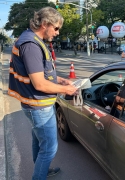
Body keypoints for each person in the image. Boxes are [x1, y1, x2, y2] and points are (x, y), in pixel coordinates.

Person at [8, 7, 78, 180]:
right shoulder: (31, 45)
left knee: (38, 141)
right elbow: (39, 84)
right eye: (56, 28)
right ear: (45, 24)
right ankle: (39, 175)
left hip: (34, 104)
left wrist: (59, 80)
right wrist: (66, 89)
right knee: (49, 148)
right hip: (38, 106)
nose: (57, 32)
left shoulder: (31, 39)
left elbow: (41, 73)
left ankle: (42, 169)